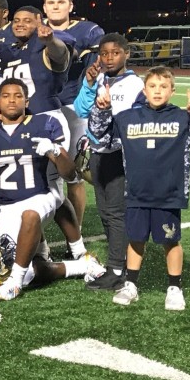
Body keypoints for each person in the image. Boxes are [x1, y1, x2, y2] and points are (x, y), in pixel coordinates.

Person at [90, 67, 190, 311]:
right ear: (144, 90)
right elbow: (101, 139)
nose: (157, 91)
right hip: (137, 192)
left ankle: (174, 287)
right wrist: (102, 109)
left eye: (163, 86)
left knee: (170, 241)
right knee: (136, 240)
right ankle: (131, 284)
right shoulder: (127, 118)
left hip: (168, 194)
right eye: (152, 86)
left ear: (172, 91)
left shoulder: (182, 118)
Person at [0, 78, 104, 301]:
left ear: (27, 100)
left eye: (17, 96)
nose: (12, 100)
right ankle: (81, 266)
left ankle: (15, 285)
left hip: (43, 196)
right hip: (8, 205)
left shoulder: (45, 124)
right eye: (6, 96)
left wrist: (54, 152)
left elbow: (70, 174)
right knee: (23, 270)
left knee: (30, 218)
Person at [74, 34, 145, 290]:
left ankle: (118, 270)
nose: (109, 58)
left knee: (116, 213)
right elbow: (81, 110)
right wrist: (89, 83)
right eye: (104, 53)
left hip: (119, 153)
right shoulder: (99, 78)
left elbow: (129, 120)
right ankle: (119, 264)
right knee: (106, 212)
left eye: (115, 53)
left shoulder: (134, 84)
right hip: (98, 152)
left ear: (126, 53)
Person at [43, 0, 104, 233]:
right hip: (41, 107)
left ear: (70, 5)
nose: (56, 7)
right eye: (51, 2)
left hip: (73, 108)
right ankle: (39, 229)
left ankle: (74, 233)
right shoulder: (34, 29)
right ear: (44, 8)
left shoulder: (88, 32)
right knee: (42, 171)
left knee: (74, 175)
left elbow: (101, 65)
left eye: (60, 2)